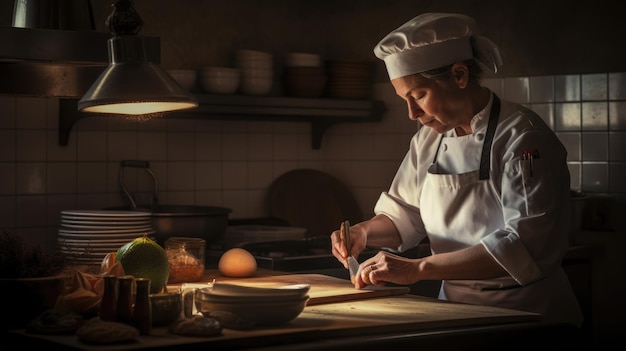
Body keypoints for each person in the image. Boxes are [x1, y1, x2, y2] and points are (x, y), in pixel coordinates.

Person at [330, 12, 583, 327]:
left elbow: (524, 245)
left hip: (526, 315)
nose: (412, 113)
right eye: (404, 100)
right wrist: (362, 233)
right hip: (454, 311)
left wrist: (417, 268)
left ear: (459, 75)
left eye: (419, 95)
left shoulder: (524, 137)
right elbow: (403, 214)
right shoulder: (428, 138)